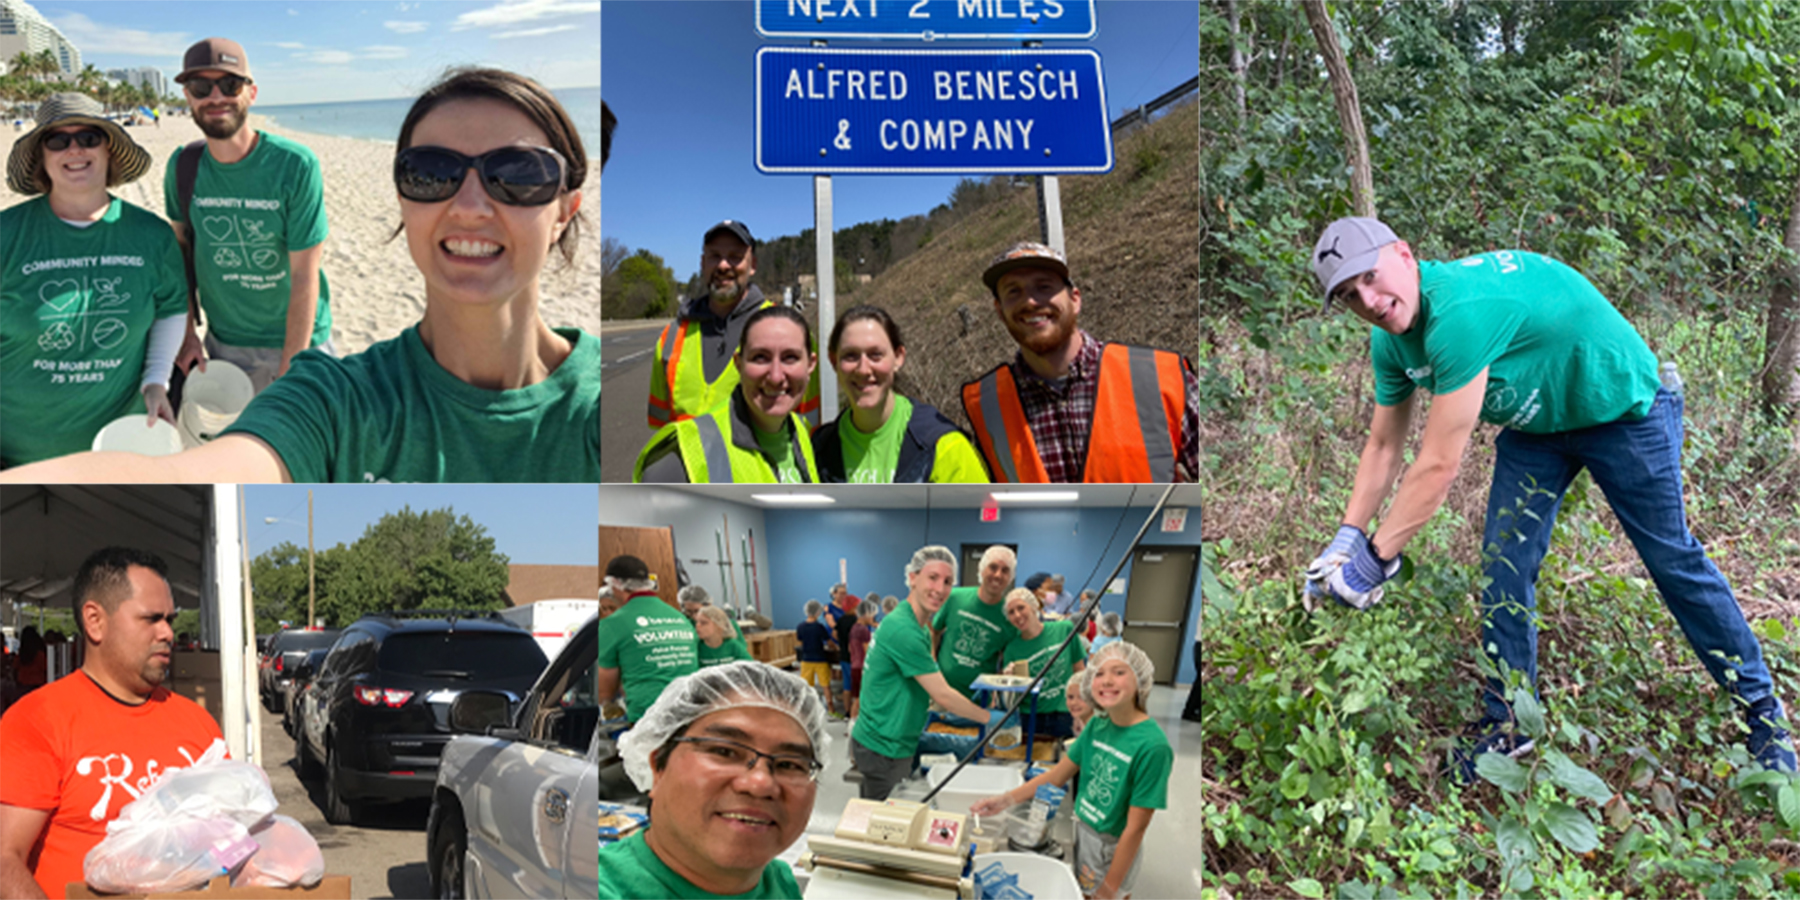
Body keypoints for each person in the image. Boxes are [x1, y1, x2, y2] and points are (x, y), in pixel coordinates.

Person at [1305, 216, 1796, 779]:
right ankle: (1510, 723)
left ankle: (1764, 716)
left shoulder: (1459, 313)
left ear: (1405, 253)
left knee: (1673, 562)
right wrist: (1346, 540)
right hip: (1539, 429)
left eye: (1369, 277)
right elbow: (1384, 443)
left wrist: (1374, 560)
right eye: (1348, 295)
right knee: (1503, 567)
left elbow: (1437, 465)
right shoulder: (1391, 340)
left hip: (1622, 410)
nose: (1367, 300)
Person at [2, 67, 600, 484]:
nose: (470, 204)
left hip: (285, 345)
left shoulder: (603, 407)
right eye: (432, 172)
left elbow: (301, 272)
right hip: (219, 350)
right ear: (404, 202)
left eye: (519, 173)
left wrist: (282, 357)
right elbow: (192, 470)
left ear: (566, 208)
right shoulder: (336, 397)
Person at [0, 548, 226, 900]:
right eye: (151, 618)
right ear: (95, 621)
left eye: (169, 618)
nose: (168, 632)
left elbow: (232, 838)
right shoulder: (37, 721)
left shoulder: (198, 724)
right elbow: (5, 860)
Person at [1, 93, 186, 467]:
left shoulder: (151, 235)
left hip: (118, 452)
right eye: (57, 141)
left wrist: (155, 381)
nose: (74, 149)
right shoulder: (7, 234)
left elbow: (171, 307)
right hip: (15, 454)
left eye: (89, 138)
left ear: (109, 149)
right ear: (42, 155)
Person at [165, 38, 336, 392]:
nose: (215, 97)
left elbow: (305, 273)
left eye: (230, 85)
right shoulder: (182, 166)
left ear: (251, 93)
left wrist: (293, 364)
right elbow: (179, 255)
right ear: (188, 98)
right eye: (200, 87)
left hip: (300, 341)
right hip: (225, 343)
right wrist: (186, 335)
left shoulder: (294, 165)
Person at [961, 241, 1200, 483]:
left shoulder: (1160, 377)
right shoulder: (986, 406)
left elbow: (1230, 486)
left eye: (1044, 286)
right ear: (1000, 311)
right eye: (1013, 291)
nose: (1030, 301)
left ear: (1075, 300)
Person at [603, 662, 826, 899]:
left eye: (789, 764)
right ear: (658, 767)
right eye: (725, 751)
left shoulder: (777, 879)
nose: (760, 784)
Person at [971, 642, 1170, 900]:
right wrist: (1005, 800)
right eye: (1099, 673)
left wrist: (1109, 888)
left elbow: (1135, 829)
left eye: (1119, 672)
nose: (1107, 680)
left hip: (1113, 846)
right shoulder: (1098, 725)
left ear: (1140, 681)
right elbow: (1055, 776)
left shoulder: (1153, 746)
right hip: (1084, 832)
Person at [852, 546, 1009, 801]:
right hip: (883, 747)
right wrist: (988, 717)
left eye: (947, 581)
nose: (940, 589)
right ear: (912, 577)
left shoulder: (922, 627)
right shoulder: (903, 630)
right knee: (887, 826)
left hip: (896, 738)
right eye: (932, 577)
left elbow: (926, 683)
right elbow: (944, 696)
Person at [647, 220, 818, 430]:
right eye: (714, 256)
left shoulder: (789, 330)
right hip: (684, 462)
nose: (723, 265)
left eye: (735, 257)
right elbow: (659, 426)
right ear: (702, 263)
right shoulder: (672, 337)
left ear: (752, 265)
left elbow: (808, 422)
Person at [635, 306, 820, 483]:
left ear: (810, 364)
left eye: (790, 358)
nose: (776, 376)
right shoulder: (683, 456)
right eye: (760, 357)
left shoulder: (801, 432)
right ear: (738, 364)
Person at [813, 305, 989, 483]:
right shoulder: (817, 451)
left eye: (875, 355)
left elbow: (987, 511)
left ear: (898, 357)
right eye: (851, 356)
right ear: (834, 361)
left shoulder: (942, 445)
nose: (863, 369)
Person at [595, 555, 698, 725]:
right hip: (690, 712)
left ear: (616, 584)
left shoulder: (613, 624)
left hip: (648, 720)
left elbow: (605, 690)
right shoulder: (680, 618)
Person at [999, 587, 1088, 742]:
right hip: (1031, 718)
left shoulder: (1064, 630)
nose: (1017, 615)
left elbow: (1080, 672)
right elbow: (1012, 699)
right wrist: (1009, 682)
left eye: (1021, 607)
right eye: (1011, 612)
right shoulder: (1012, 649)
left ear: (1034, 606)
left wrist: (1083, 713)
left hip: (1065, 714)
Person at [933, 546, 1018, 704]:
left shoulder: (1009, 617)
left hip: (978, 700)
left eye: (1005, 570)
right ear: (982, 570)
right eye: (993, 567)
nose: (998, 575)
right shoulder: (955, 598)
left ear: (1010, 577)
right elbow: (934, 630)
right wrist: (932, 668)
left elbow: (1005, 662)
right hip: (941, 694)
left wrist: (995, 691)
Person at [795, 600, 836, 717]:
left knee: (806, 687)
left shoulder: (800, 627)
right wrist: (834, 647)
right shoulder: (819, 627)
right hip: (820, 660)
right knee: (825, 685)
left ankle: (806, 711)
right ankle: (832, 710)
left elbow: (801, 642)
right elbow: (829, 642)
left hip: (806, 660)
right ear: (818, 612)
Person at [847, 599, 876, 721]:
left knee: (857, 697)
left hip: (854, 666)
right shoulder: (864, 631)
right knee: (862, 698)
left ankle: (852, 723)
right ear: (866, 614)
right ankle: (855, 724)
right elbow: (869, 652)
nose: (873, 618)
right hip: (863, 668)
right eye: (872, 615)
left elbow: (850, 648)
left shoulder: (853, 628)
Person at [12, 627, 47, 695]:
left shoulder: (20, 655)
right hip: (38, 686)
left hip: (22, 686)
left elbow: (15, 670)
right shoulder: (40, 655)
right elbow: (46, 669)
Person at [1066, 669, 1095, 738]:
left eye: (1081, 697)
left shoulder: (1097, 728)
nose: (1074, 702)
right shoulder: (1081, 723)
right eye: (1070, 697)